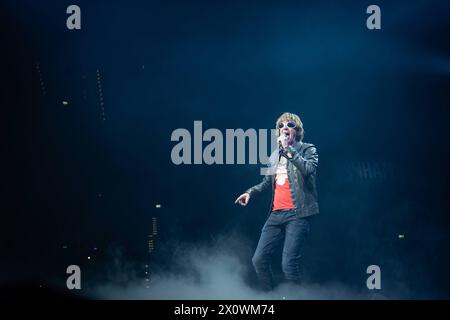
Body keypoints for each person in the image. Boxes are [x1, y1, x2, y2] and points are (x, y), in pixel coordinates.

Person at [235, 112, 319, 290]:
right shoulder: (274, 155)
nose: (285, 128)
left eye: (289, 125)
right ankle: (270, 298)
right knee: (258, 260)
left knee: (288, 265)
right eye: (281, 126)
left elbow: (308, 169)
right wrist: (250, 192)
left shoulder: (308, 149)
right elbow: (266, 182)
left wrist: (289, 149)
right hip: (276, 214)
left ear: (297, 130)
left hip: (298, 214)